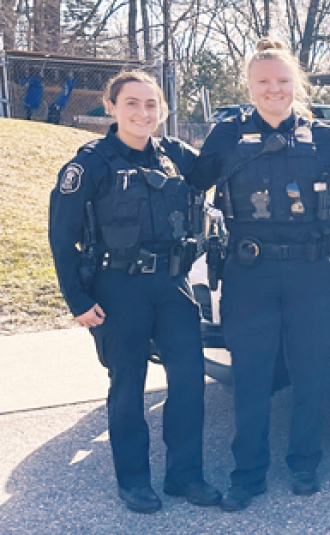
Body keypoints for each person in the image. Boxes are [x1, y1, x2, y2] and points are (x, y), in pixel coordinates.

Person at [190, 38, 330, 511]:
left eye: (282, 81)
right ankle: (248, 473)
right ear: (249, 85)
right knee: (252, 376)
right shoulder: (226, 135)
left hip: (309, 272)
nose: (273, 89)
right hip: (250, 272)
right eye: (263, 81)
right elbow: (189, 182)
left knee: (310, 373)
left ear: (296, 84)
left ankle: (304, 463)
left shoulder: (322, 136)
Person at [48, 71, 220, 514]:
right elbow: (62, 237)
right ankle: (134, 481)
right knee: (128, 385)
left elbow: (218, 167)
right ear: (112, 108)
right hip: (118, 286)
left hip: (172, 285)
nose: (144, 113)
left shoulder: (176, 155)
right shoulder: (89, 163)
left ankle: (185, 476)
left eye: (151, 105)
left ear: (162, 110)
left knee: (188, 381)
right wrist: (78, 300)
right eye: (132, 104)